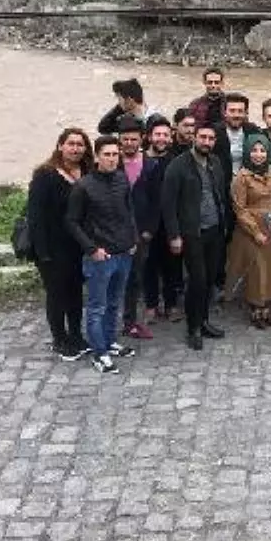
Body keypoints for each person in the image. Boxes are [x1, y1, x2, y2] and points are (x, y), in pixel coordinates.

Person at [65, 135, 139, 374]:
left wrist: (133, 239)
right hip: (100, 256)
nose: (111, 159)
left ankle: (109, 342)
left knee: (114, 303)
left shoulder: (121, 178)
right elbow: (72, 222)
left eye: (115, 154)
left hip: (124, 252)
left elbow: (129, 211)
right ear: (97, 156)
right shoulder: (83, 186)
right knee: (97, 306)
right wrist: (92, 249)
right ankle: (99, 353)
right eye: (106, 154)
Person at [27, 127, 94, 360]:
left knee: (75, 292)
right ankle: (59, 338)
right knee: (56, 294)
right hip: (52, 247)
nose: (75, 148)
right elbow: (35, 215)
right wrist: (42, 252)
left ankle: (76, 334)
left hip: (78, 245)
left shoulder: (87, 171)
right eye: (71, 143)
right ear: (60, 146)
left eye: (80, 144)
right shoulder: (45, 175)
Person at [160, 123, 229, 350]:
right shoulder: (178, 166)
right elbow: (168, 204)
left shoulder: (216, 162)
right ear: (194, 138)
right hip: (192, 233)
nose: (206, 142)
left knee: (209, 280)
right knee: (197, 280)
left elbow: (221, 193)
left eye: (210, 139)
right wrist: (174, 235)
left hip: (214, 230)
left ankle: (205, 320)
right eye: (203, 137)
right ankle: (193, 328)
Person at [226, 134, 271, 328]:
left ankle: (267, 307)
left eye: (262, 150)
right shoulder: (241, 178)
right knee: (256, 269)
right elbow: (239, 208)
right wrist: (255, 232)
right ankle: (256, 309)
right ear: (247, 152)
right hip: (251, 230)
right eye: (254, 150)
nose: (258, 154)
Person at [134, 115, 182, 324]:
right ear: (149, 137)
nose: (161, 138)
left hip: (171, 222)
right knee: (149, 266)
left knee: (172, 265)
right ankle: (152, 305)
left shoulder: (176, 161)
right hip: (147, 225)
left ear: (170, 137)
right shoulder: (141, 161)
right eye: (157, 134)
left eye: (165, 134)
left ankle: (171, 304)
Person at [116, 116, 154, 340]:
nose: (129, 143)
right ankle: (109, 320)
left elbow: (156, 200)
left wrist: (149, 229)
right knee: (112, 278)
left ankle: (130, 321)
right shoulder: (110, 161)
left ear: (141, 139)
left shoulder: (150, 165)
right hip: (113, 232)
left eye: (133, 139)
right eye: (125, 139)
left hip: (141, 232)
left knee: (134, 278)